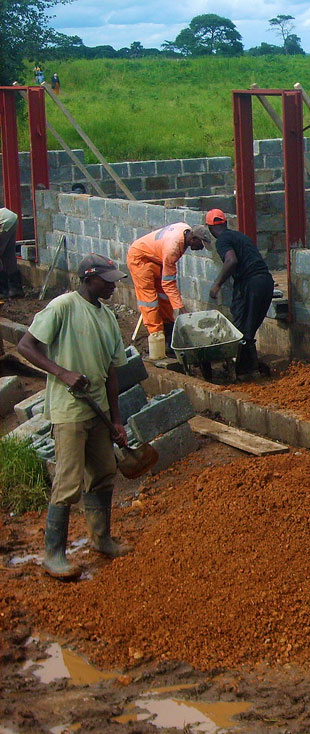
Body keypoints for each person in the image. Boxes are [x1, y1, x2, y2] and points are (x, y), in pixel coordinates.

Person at [17, 255, 132, 581]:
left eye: (114, 280)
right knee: (68, 482)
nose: (113, 285)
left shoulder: (108, 317)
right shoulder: (63, 306)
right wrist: (62, 373)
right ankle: (53, 554)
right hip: (69, 411)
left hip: (98, 412)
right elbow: (26, 345)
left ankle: (101, 539)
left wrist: (117, 418)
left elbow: (111, 373)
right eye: (107, 280)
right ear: (88, 278)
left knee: (104, 471)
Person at [126, 223, 213, 361]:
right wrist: (181, 309)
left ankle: (168, 333)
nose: (201, 248)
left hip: (156, 258)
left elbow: (167, 285)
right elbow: (169, 284)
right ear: (193, 239)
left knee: (164, 297)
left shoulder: (186, 230)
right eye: (201, 244)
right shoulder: (173, 248)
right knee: (150, 301)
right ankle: (157, 340)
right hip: (140, 259)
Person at [205, 209, 274, 377]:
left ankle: (246, 371)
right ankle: (249, 368)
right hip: (266, 282)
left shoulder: (222, 240)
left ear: (210, 228)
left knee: (241, 328)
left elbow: (231, 260)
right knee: (248, 328)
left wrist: (217, 285)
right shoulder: (239, 236)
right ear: (225, 223)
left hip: (251, 284)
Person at [0, 207, 24, 299]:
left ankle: (2, 290)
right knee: (8, 255)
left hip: (4, 222)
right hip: (11, 218)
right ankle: (16, 289)